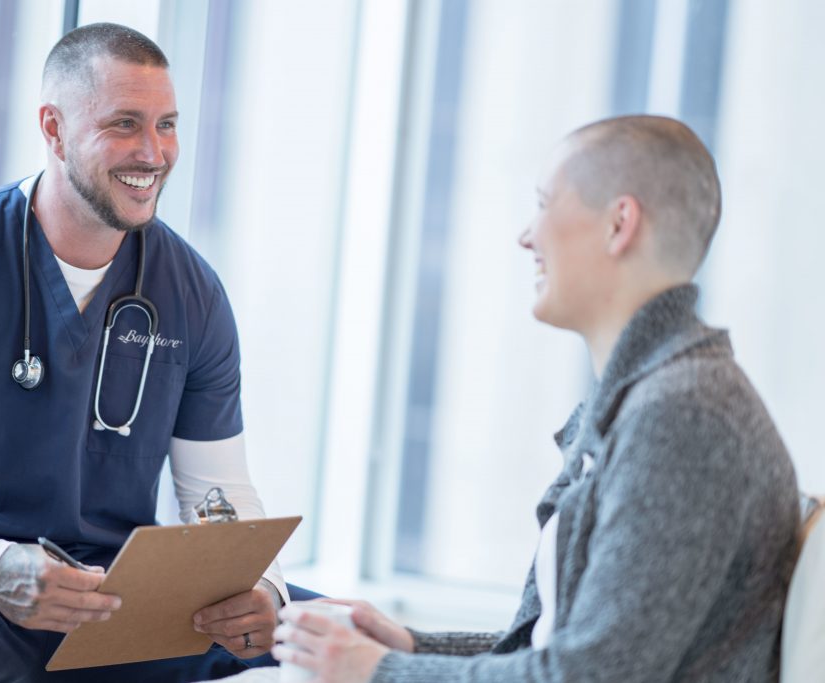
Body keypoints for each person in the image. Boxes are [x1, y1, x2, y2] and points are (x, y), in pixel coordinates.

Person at [0, 23, 311, 682]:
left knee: (335, 632)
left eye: (167, 125)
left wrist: (264, 590)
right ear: (52, 129)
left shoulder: (191, 291)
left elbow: (217, 490)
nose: (153, 152)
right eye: (124, 124)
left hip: (101, 590)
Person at [272, 115, 802, 682]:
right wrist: (406, 646)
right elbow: (571, 646)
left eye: (545, 203)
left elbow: (593, 675)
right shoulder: (659, 397)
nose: (527, 235)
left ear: (619, 223)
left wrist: (384, 672)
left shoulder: (683, 417)